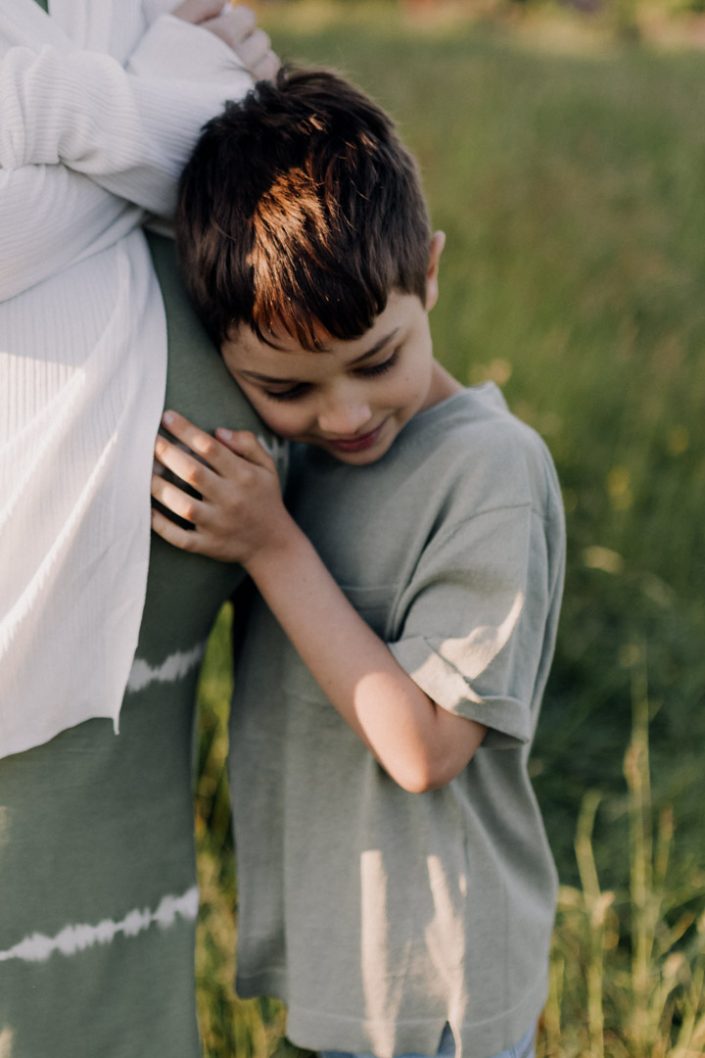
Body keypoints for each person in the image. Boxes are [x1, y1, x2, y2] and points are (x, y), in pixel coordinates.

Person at [151, 68, 565, 1058]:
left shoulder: (491, 472)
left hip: (437, 987)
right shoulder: (306, 459)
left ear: (429, 272)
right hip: (352, 968)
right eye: (285, 387)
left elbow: (424, 748)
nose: (343, 414)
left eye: (379, 360)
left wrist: (271, 543)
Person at [0, 3, 283, 1055]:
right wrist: (165, 136)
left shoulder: (163, 27)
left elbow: (284, 184)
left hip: (135, 757)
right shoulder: (161, 73)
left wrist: (253, 99)